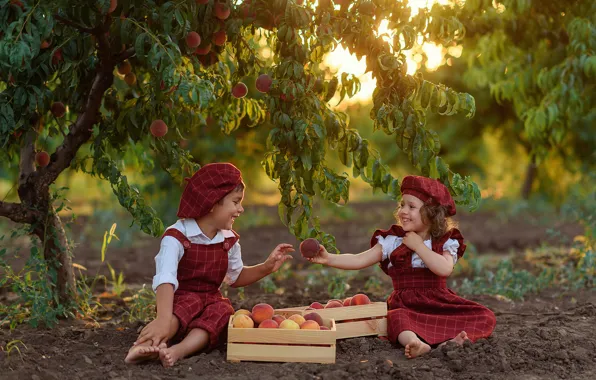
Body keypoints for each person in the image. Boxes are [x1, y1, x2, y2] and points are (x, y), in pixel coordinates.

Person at [305, 175, 496, 358]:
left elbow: (444, 269)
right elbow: (358, 259)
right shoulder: (394, 241)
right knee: (395, 318)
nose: (403, 211)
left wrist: (419, 247)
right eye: (402, 205)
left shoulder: (443, 242)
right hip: (405, 306)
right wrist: (328, 258)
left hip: (438, 303)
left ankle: (451, 343)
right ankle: (416, 343)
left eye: (411, 206)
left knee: (484, 316)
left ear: (431, 213)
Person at [124, 163, 294, 367]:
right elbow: (165, 280)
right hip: (180, 300)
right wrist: (162, 319)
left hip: (211, 300)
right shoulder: (176, 237)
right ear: (213, 202)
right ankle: (139, 348)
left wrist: (266, 267)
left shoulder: (228, 239)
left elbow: (236, 276)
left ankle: (178, 350)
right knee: (180, 312)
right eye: (235, 202)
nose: (240, 209)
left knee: (221, 311)